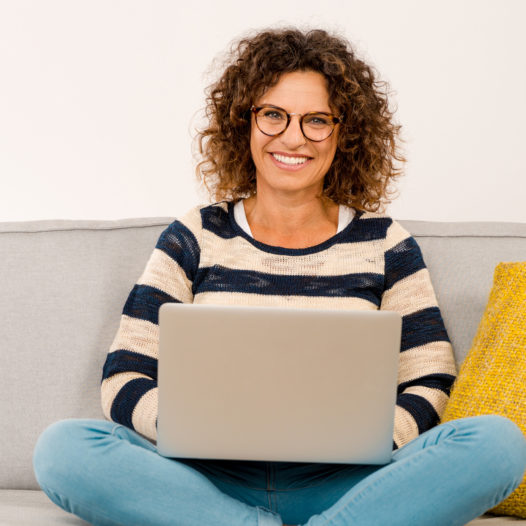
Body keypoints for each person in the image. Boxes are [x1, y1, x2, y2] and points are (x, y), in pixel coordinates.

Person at [33, 28, 526, 526]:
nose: (293, 138)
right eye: (273, 115)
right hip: (204, 482)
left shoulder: (384, 242)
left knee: (498, 444)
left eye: (316, 120)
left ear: (344, 132)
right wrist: (186, 429)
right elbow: (124, 374)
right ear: (243, 122)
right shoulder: (195, 235)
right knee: (64, 449)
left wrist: (374, 440)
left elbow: (431, 378)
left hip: (347, 485)